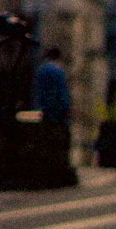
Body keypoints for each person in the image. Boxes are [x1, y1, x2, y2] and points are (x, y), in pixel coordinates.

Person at [35, 45, 74, 180]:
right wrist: (66, 110)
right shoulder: (58, 71)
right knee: (60, 143)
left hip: (44, 112)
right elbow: (62, 94)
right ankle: (58, 172)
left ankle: (45, 170)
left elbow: (37, 92)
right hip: (58, 114)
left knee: (45, 143)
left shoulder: (41, 70)